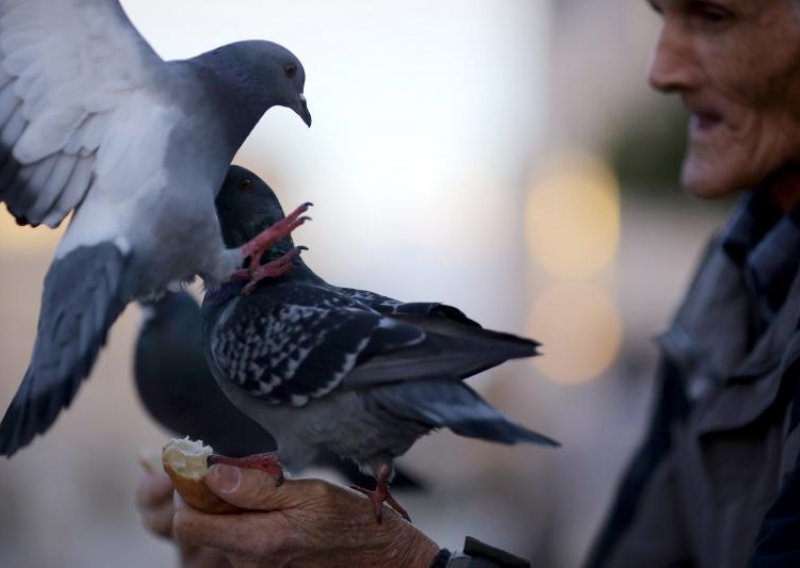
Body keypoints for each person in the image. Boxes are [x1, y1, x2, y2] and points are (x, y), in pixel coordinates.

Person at [136, 0, 800, 565]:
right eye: (659, 14)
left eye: (715, 14)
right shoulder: (730, 289)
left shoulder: (243, 325)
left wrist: (406, 562)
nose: (661, 69)